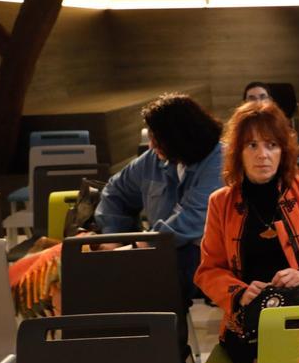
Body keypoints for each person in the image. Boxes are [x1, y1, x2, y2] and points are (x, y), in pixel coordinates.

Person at [196, 101, 299, 363]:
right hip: (247, 322)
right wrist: (240, 293)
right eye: (251, 145)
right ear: (238, 153)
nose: (262, 155)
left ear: (284, 150)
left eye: (271, 145)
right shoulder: (221, 202)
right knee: (268, 360)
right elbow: (208, 271)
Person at [95, 93, 223, 303]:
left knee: (148, 275)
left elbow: (189, 221)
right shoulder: (154, 160)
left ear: (180, 136)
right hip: (159, 253)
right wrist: (114, 237)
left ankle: (165, 333)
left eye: (157, 138)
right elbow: (115, 192)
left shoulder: (219, 161)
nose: (152, 146)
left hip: (202, 257)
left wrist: (138, 247)